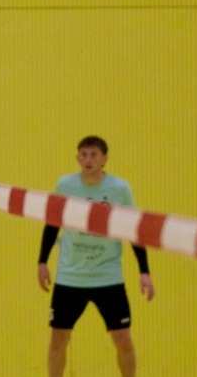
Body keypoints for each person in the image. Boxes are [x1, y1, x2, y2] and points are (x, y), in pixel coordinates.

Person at [37, 136, 155, 377]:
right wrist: (42, 262)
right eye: (83, 154)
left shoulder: (119, 189)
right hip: (70, 277)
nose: (88, 160)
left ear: (104, 159)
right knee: (58, 337)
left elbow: (134, 230)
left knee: (122, 338)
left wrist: (144, 272)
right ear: (77, 158)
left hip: (107, 276)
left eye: (93, 155)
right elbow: (52, 224)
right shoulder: (65, 185)